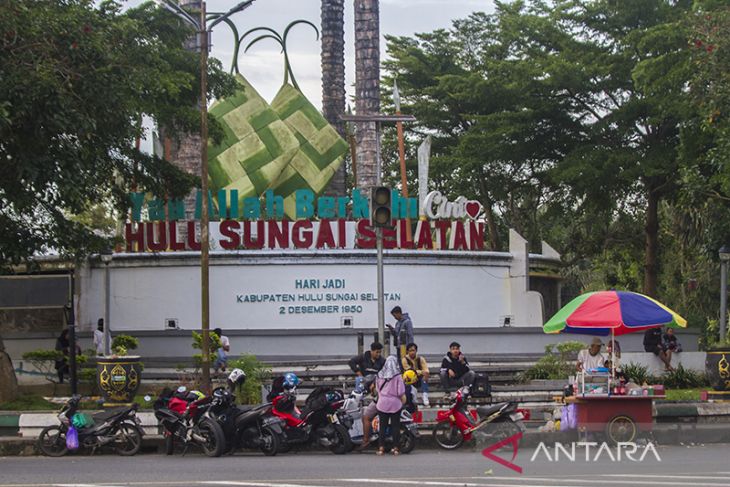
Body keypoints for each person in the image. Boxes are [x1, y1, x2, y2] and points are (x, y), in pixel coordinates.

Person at [375, 355, 406, 456]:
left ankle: (381, 448)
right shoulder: (397, 376)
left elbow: (377, 389)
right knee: (395, 427)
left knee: (382, 427)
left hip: (382, 403)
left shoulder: (379, 375)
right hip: (395, 404)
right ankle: (396, 448)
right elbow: (400, 391)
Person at [401, 342, 430, 407]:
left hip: (419, 378)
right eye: (410, 351)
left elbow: (426, 370)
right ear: (407, 351)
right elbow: (409, 370)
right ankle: (413, 397)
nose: (412, 352)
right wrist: (421, 372)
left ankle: (425, 396)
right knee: (408, 376)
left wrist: (424, 373)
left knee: (425, 376)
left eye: (413, 350)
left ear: (416, 351)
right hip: (409, 379)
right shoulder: (404, 360)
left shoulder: (420, 359)